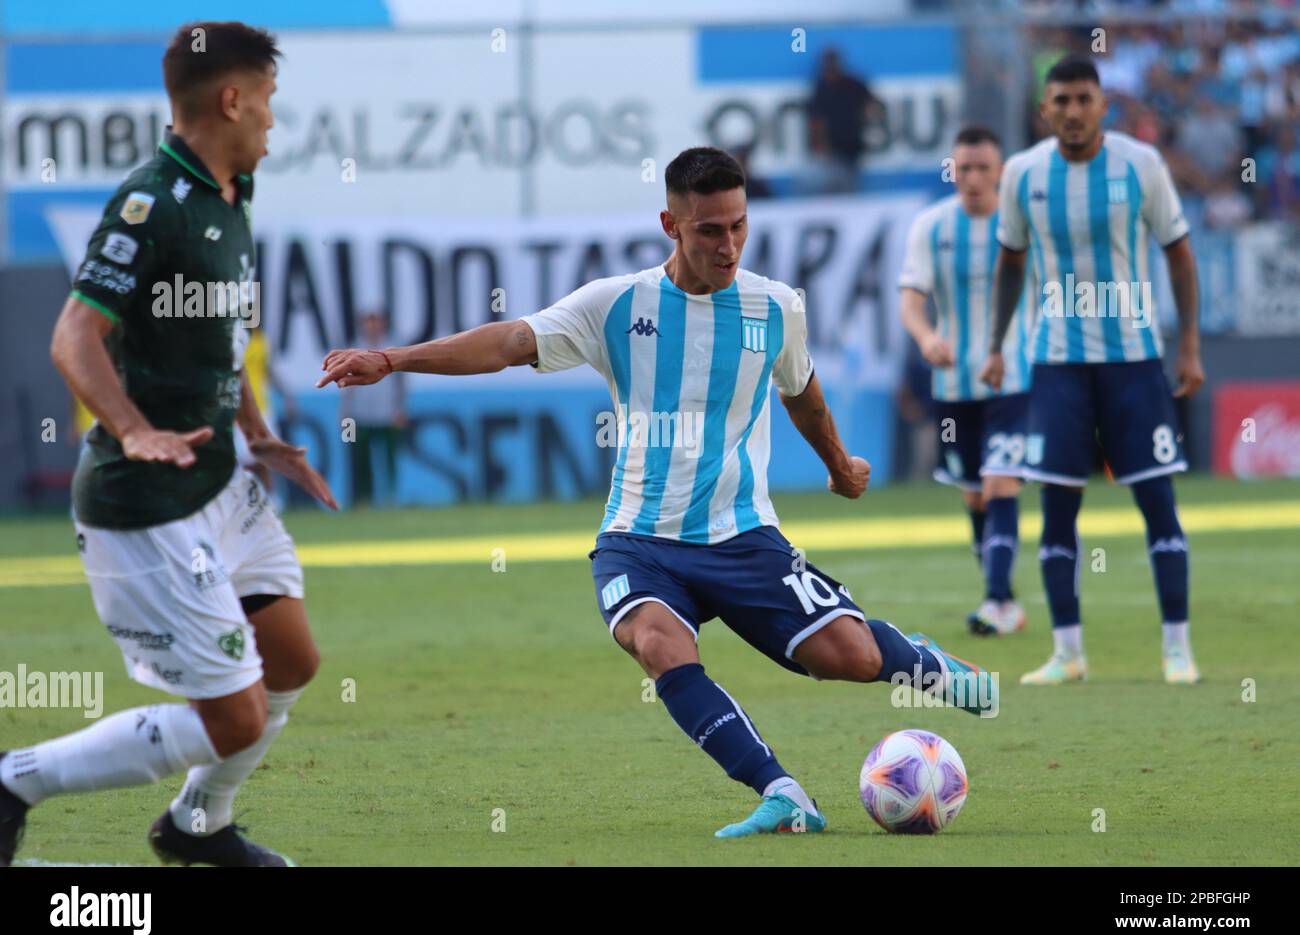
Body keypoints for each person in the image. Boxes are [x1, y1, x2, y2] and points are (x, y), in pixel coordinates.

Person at [319, 146, 997, 838]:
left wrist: (839, 464)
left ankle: (920, 661)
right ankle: (783, 794)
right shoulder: (616, 305)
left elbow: (804, 394)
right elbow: (508, 342)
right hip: (638, 541)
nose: (728, 244)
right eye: (710, 230)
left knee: (847, 659)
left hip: (741, 535)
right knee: (657, 643)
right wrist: (392, 359)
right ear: (670, 223)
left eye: (738, 226)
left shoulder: (775, 307)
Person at [0, 21, 338, 868]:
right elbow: (74, 337)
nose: (271, 121)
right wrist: (135, 430)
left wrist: (258, 432)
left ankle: (198, 827)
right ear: (231, 99)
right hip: (145, 501)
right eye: (265, 102)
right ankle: (14, 780)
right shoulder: (149, 203)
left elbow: (222, 331)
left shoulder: (233, 191)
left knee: (291, 659)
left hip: (224, 478)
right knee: (236, 715)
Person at [980, 55, 1205, 686]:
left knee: (1158, 500)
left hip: (1135, 363)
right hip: (1057, 368)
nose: (1073, 111)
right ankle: (1067, 652)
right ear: (1043, 109)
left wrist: (1188, 347)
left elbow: (1181, 257)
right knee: (1056, 509)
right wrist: (997, 345)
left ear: (1104, 105)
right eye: (1061, 100)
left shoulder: (1141, 165)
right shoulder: (1023, 174)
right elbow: (1010, 263)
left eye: (1084, 98)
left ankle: (1178, 648)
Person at [898, 125, 1035, 636]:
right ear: (952, 172)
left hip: (1014, 379)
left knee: (1002, 484)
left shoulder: (1023, 226)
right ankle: (1003, 598)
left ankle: (996, 600)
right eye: (964, 168)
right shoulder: (931, 227)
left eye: (983, 168)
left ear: (1000, 173)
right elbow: (910, 299)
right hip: (954, 386)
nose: (973, 178)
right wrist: (925, 336)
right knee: (975, 496)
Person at [341, 310, 408, 506]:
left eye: (376, 321)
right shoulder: (355, 349)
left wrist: (400, 409)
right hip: (360, 414)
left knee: (389, 459)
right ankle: (364, 500)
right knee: (361, 461)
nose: (372, 326)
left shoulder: (393, 349)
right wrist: (346, 414)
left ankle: (390, 498)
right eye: (368, 322)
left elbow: (401, 384)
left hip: (387, 413)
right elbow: (347, 385)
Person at [806, 49, 882, 194]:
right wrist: (819, 144)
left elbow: (873, 106)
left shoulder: (854, 85)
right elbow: (816, 119)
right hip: (832, 150)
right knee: (833, 185)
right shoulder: (822, 88)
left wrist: (868, 119)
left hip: (853, 145)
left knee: (848, 185)